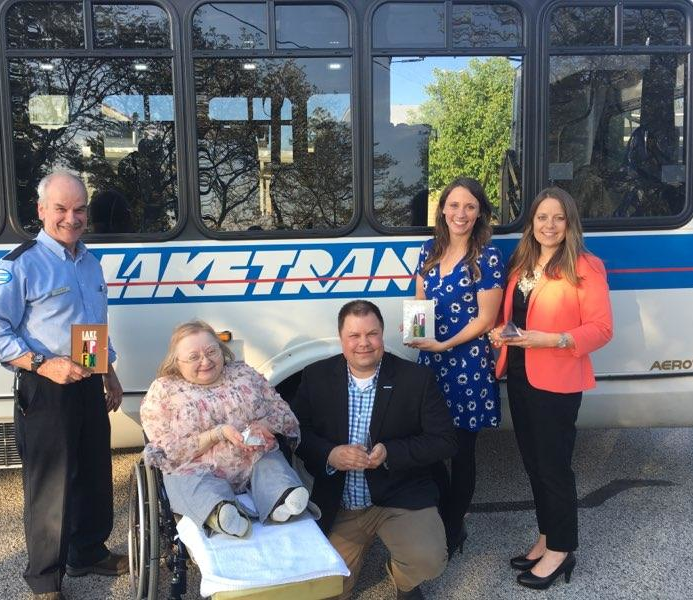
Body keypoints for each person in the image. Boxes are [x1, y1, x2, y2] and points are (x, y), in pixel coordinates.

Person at [0, 171, 126, 600]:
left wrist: (108, 373)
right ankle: (44, 580)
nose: (72, 218)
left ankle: (87, 552)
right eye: (61, 209)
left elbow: (93, 323)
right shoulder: (19, 264)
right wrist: (43, 364)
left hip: (87, 383)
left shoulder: (89, 261)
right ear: (41, 210)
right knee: (50, 486)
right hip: (45, 389)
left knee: (95, 473)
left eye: (79, 209)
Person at [292, 300, 457, 600]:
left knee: (428, 560)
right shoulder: (316, 376)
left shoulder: (415, 379)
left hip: (398, 497)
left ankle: (404, 580)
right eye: (354, 336)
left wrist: (391, 452)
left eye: (372, 334)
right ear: (341, 339)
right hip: (342, 502)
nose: (364, 343)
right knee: (324, 589)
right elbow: (295, 431)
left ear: (382, 335)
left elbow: (445, 440)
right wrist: (330, 454)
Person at [489, 187, 612, 590]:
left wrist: (552, 339)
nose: (549, 225)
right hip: (521, 376)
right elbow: (517, 316)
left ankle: (562, 549)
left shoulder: (586, 266)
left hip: (557, 382)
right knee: (534, 464)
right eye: (542, 217)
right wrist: (502, 334)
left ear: (570, 222)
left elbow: (600, 329)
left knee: (554, 468)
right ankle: (546, 537)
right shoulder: (521, 263)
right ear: (532, 222)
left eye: (558, 218)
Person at [140, 320, 317, 538]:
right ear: (177, 362)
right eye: (194, 357)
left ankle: (283, 499)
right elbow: (167, 451)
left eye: (212, 351)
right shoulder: (163, 390)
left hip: (253, 459)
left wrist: (265, 425)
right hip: (195, 467)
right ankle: (220, 513)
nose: (205, 361)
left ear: (222, 350)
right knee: (191, 485)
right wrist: (216, 434)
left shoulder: (243, 373)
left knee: (272, 466)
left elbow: (283, 412)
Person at [405, 177, 505, 557]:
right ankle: (445, 513)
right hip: (430, 362)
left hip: (467, 364)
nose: (460, 214)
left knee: (462, 451)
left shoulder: (487, 257)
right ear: (442, 209)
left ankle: (453, 524)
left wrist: (444, 342)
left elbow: (486, 318)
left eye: (469, 207)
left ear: (479, 213)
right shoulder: (429, 250)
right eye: (454, 205)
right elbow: (419, 300)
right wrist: (414, 329)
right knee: (431, 446)